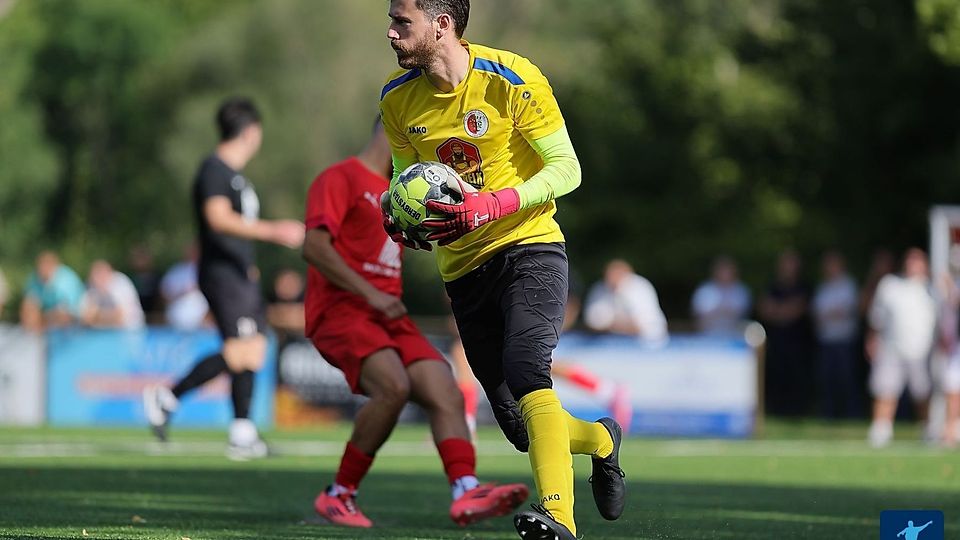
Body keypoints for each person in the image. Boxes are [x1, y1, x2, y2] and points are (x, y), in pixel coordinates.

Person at [381, 2, 625, 538]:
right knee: (518, 425)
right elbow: (407, 178)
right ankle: (602, 441)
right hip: (463, 271)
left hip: (529, 246)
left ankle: (557, 517)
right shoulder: (396, 101)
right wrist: (401, 219)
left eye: (402, 22)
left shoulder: (512, 78)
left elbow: (568, 169)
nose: (391, 32)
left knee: (526, 367)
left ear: (441, 25)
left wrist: (493, 204)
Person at [303, 119, 528, 529]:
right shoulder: (340, 178)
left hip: (388, 314)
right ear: (389, 132)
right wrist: (370, 294)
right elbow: (314, 246)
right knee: (393, 387)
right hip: (341, 312)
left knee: (443, 385)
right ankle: (337, 495)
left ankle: (465, 491)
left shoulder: (405, 192)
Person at [143, 97, 305, 459]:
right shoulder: (213, 170)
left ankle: (240, 430)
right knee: (241, 349)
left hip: (238, 273)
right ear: (251, 132)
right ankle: (171, 398)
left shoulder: (234, 176)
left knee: (253, 348)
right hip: (221, 274)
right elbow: (218, 219)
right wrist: (273, 231)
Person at [866, 248, 937, 448]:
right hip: (891, 348)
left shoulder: (932, 288)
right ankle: (881, 430)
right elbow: (877, 317)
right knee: (885, 390)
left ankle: (928, 429)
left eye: (918, 260)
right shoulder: (890, 285)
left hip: (921, 350)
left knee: (922, 393)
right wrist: (872, 338)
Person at [758, 249, 814, 417]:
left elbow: (796, 309)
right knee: (776, 377)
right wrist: (784, 311)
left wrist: (778, 311)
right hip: (776, 342)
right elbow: (764, 309)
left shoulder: (804, 286)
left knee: (797, 378)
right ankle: (776, 411)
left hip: (799, 343)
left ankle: (798, 412)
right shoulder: (772, 286)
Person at [811, 251, 860, 418]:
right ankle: (828, 414)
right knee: (826, 379)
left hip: (844, 340)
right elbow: (818, 313)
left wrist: (829, 314)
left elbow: (844, 311)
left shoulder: (848, 285)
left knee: (846, 379)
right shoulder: (823, 287)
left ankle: (851, 414)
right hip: (826, 340)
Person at [583, 259, 668, 345]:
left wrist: (613, 325)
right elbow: (592, 322)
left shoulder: (640, 288)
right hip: (610, 344)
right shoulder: (599, 289)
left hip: (645, 344)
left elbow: (642, 327)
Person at [20, 251, 85, 333]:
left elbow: (67, 311)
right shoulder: (34, 278)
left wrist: (43, 317)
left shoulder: (66, 281)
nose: (42, 270)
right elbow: (28, 303)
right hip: (47, 314)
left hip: (75, 313)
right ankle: (31, 334)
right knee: (28, 308)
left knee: (61, 315)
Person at [691, 256, 751, 336]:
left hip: (734, 337)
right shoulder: (704, 290)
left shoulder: (740, 291)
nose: (725, 274)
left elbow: (741, 313)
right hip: (707, 336)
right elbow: (699, 315)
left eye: (727, 270)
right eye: (722, 270)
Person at [80, 260, 145, 330]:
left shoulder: (121, 283)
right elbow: (85, 318)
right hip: (103, 333)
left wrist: (97, 316)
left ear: (109, 272)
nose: (98, 279)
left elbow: (120, 318)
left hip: (130, 331)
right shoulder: (91, 287)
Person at [159, 243, 209, 331]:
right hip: (175, 322)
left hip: (202, 324)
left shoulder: (207, 270)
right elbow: (164, 295)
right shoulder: (175, 271)